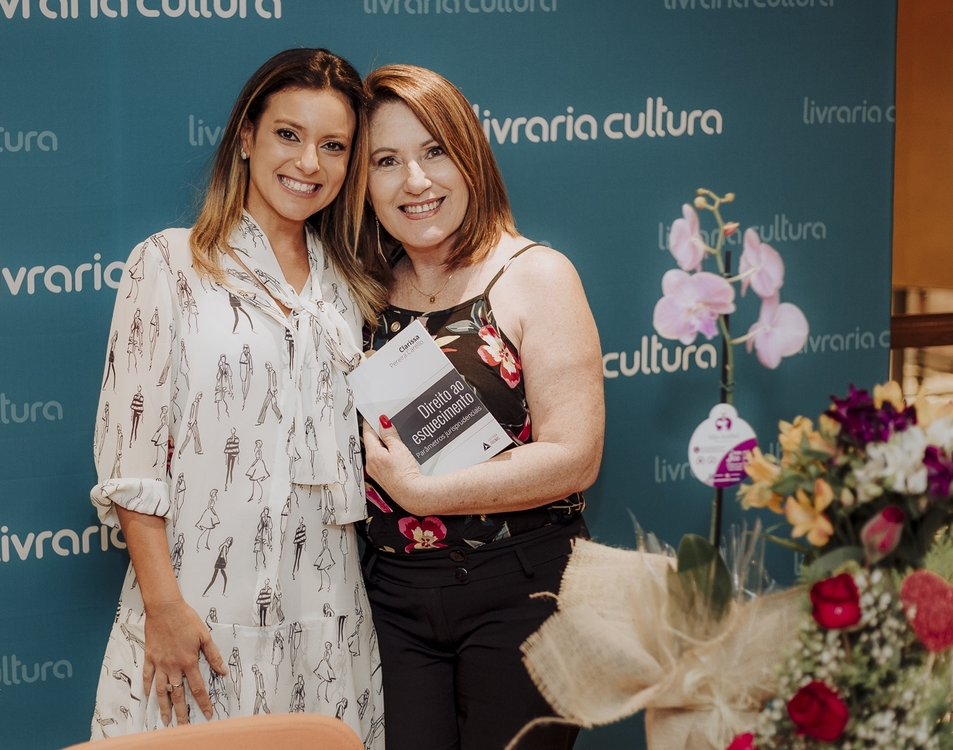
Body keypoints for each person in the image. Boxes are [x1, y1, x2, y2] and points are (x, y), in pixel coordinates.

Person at [88, 48, 383, 741]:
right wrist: (163, 611)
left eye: (333, 145)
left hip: (330, 623)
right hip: (198, 621)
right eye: (289, 134)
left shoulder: (355, 290)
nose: (309, 163)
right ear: (246, 138)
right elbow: (131, 463)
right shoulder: (168, 263)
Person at [358, 65, 605, 750]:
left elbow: (575, 457)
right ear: (363, 183)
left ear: (470, 157)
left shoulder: (535, 275)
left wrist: (419, 491)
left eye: (434, 150)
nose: (416, 180)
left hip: (523, 592)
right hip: (392, 603)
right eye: (386, 160)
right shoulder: (358, 292)